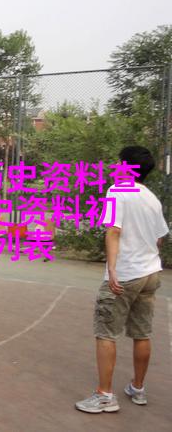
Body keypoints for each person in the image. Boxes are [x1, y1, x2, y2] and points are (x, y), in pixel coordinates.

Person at [76, 146, 169, 413]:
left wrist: (113, 270)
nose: (115, 166)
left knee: (106, 332)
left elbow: (113, 231)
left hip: (126, 274)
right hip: (150, 273)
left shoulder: (117, 191)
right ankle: (137, 388)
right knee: (142, 333)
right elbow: (159, 238)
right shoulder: (152, 198)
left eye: (119, 162)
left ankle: (105, 395)